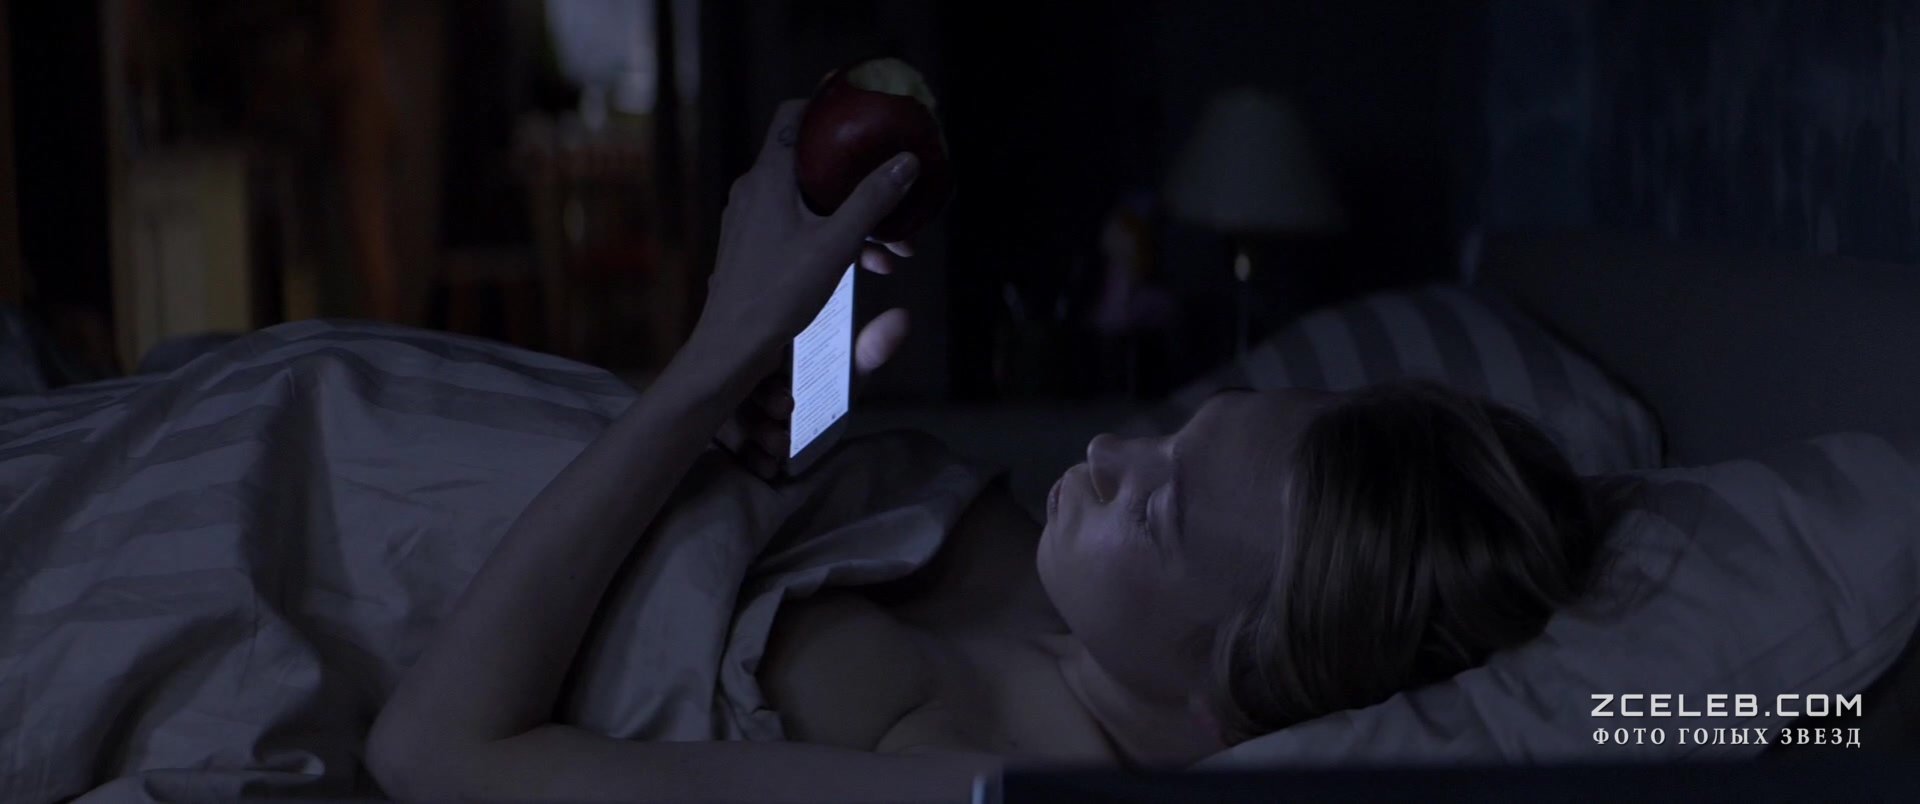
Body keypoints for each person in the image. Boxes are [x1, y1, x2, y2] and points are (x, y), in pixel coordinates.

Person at [366, 100, 1607, 803]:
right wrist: (789, 359)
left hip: (330, 550)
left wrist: (711, 353)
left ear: (1222, 695)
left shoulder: (963, 781)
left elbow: (431, 756)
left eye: (1159, 511)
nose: (1112, 448)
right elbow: (756, 505)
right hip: (370, 412)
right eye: (1172, 436)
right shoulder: (1055, 582)